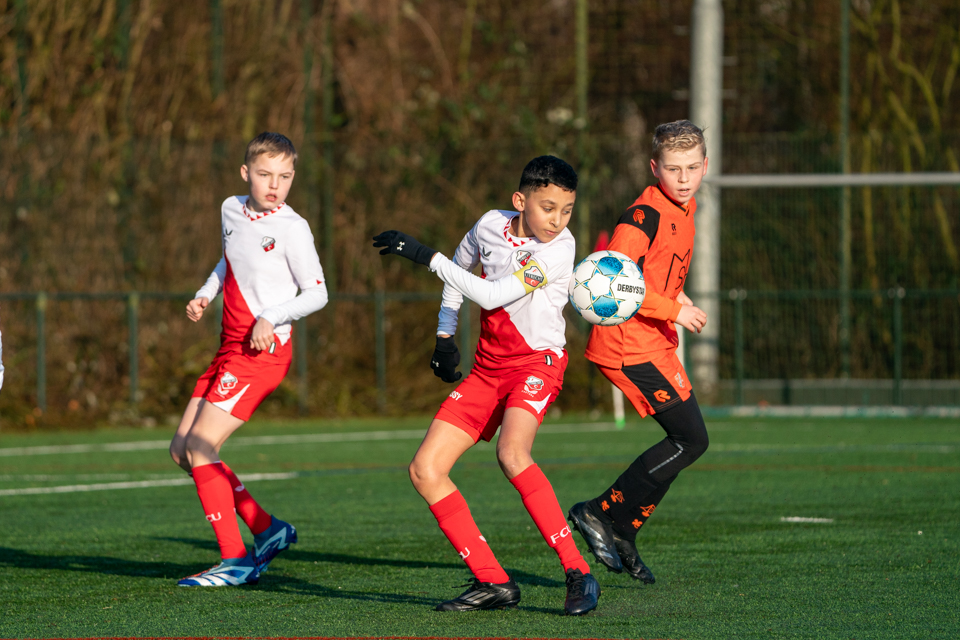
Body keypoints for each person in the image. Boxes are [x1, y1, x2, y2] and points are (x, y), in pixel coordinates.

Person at [372, 156, 600, 616]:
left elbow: (492, 294)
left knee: (512, 454)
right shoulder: (489, 225)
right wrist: (444, 334)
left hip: (538, 363)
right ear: (521, 200)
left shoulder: (557, 250)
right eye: (548, 207)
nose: (558, 220)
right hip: (488, 369)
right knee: (424, 470)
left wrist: (422, 255)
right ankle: (493, 581)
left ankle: (578, 572)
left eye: (567, 210)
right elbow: (462, 271)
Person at [169, 132, 328, 587]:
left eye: (284, 176)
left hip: (263, 353)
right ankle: (267, 528)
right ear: (245, 173)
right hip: (229, 347)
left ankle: (235, 559)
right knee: (183, 451)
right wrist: (205, 293)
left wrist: (272, 317)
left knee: (201, 448)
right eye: (264, 175)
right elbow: (229, 261)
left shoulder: (293, 228)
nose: (274, 185)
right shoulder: (229, 209)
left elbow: (318, 292)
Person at [567, 120, 710, 585]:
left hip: (653, 342)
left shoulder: (684, 208)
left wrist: (677, 297)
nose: (684, 178)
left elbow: (654, 273)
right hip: (628, 345)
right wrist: (673, 308)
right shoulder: (643, 216)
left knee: (687, 443)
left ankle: (625, 529)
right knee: (691, 440)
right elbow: (612, 281)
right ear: (655, 168)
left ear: (705, 166)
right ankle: (598, 511)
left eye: (692, 167)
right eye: (673, 169)